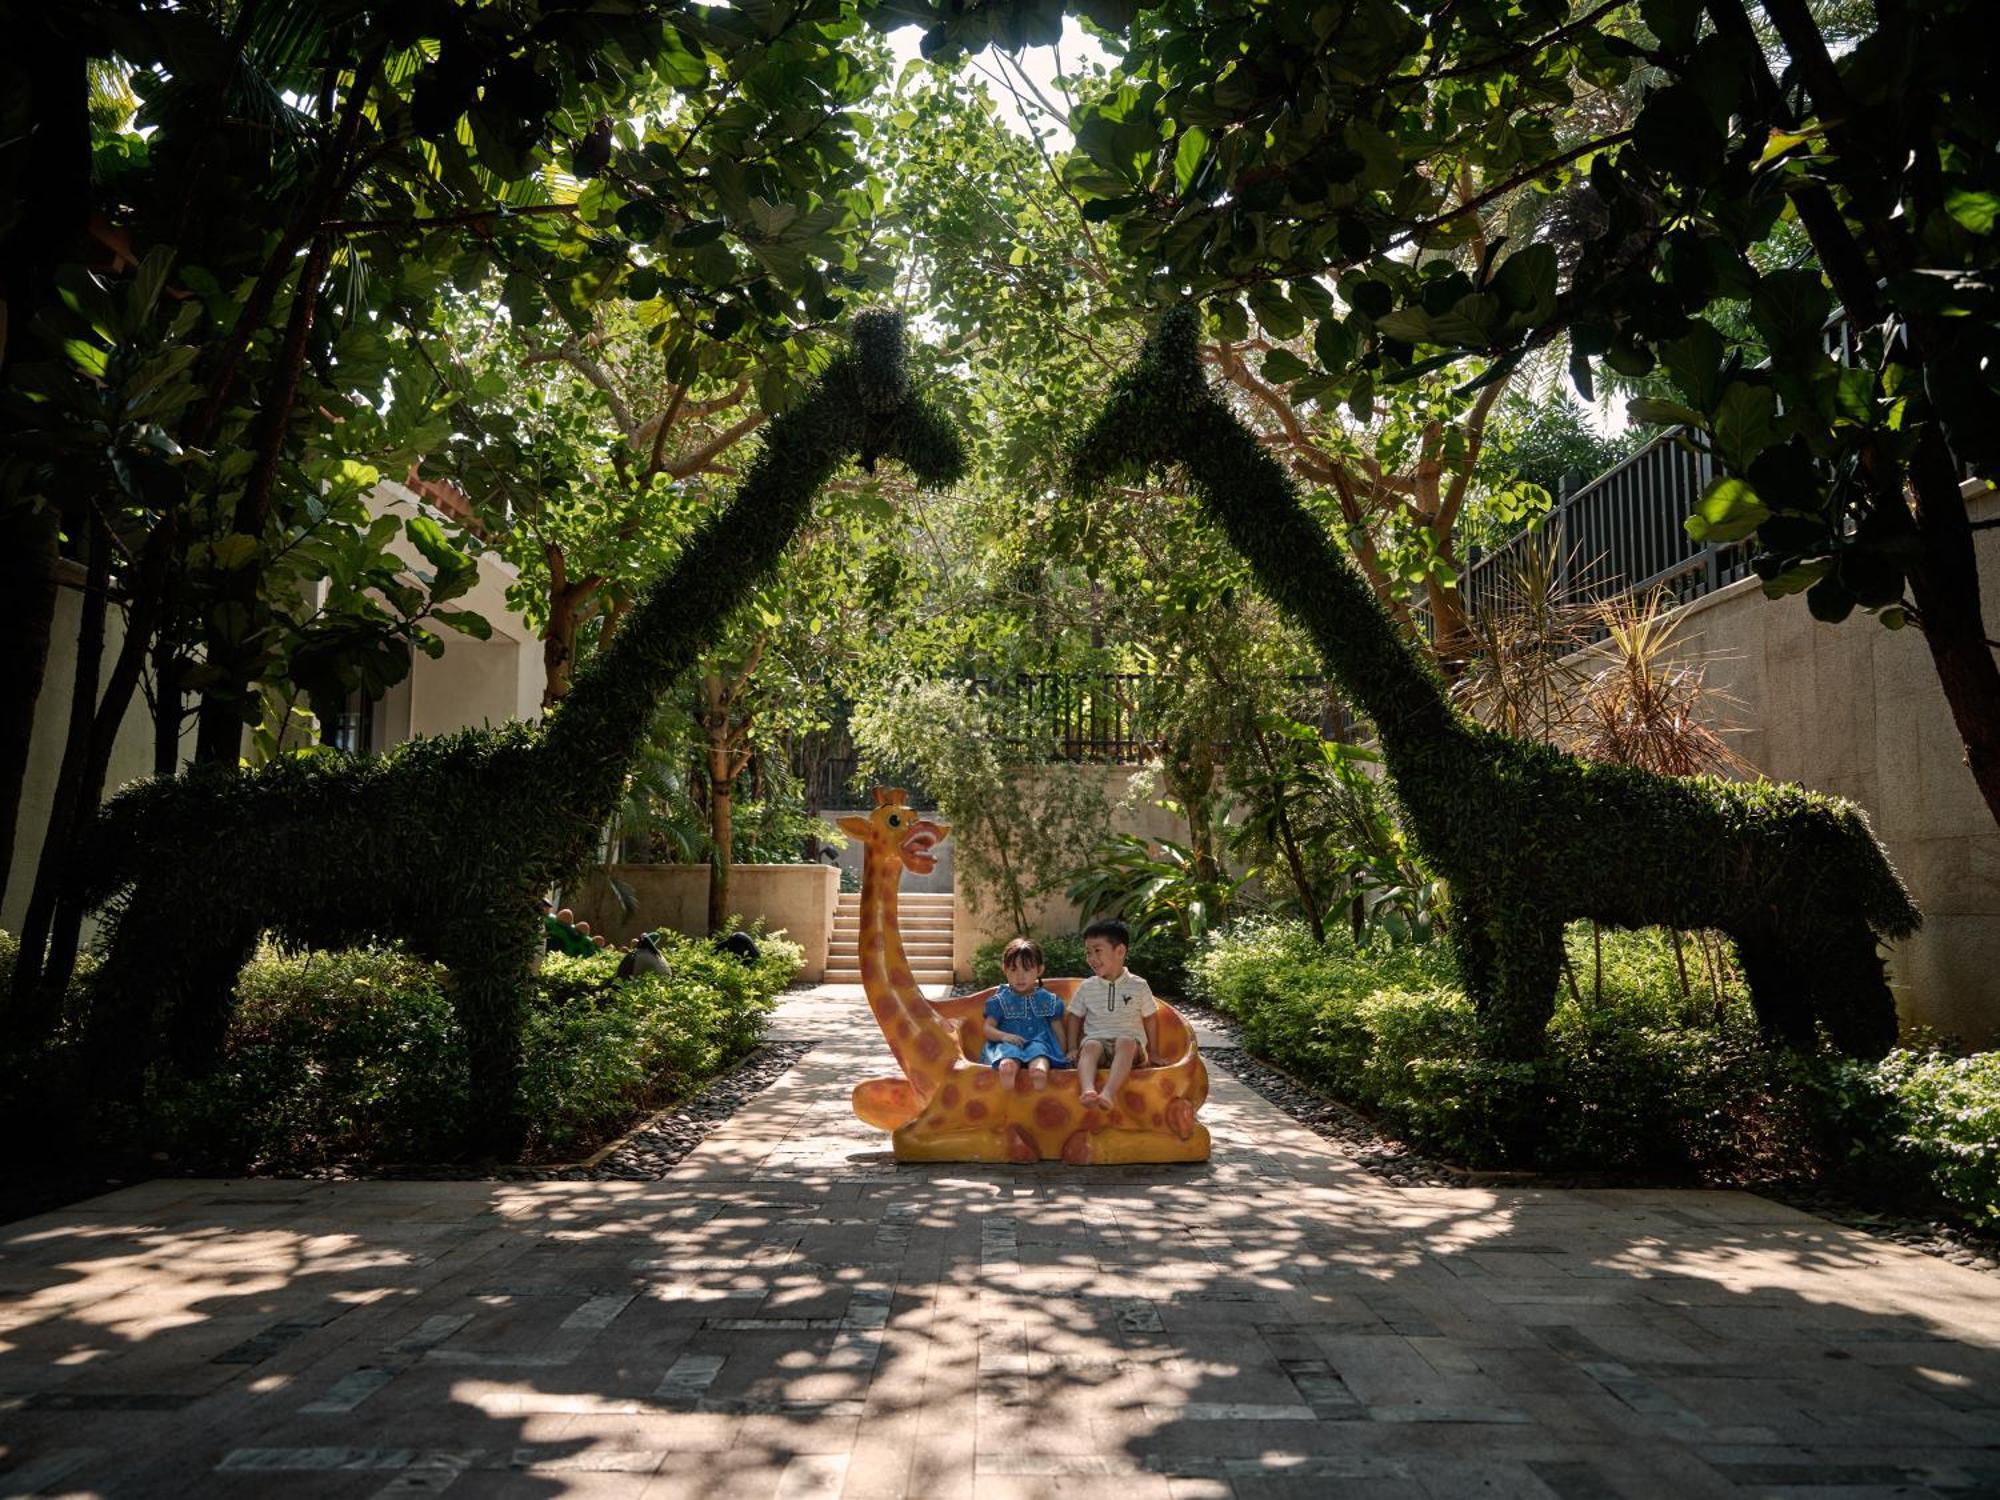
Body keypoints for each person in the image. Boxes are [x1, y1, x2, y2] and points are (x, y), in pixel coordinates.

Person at [1068, 918, 1159, 1111]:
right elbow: (1074, 1017)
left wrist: (1154, 1052)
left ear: (1120, 951)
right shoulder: (1087, 986)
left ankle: (1108, 1093)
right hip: (1098, 1043)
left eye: (1097, 951)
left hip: (1130, 1049)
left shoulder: (1139, 985)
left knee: (1125, 1041)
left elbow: (1150, 1017)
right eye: (1088, 952)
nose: (1092, 958)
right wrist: (1072, 1048)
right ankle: (1088, 1091)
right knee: (1091, 1045)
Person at [981, 936, 1068, 1089]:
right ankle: (1008, 1069)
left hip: (1039, 1043)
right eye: (1013, 970)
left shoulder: (1048, 999)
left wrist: (1062, 1053)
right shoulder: (1000, 1000)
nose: (1020, 976)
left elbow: (1057, 1028)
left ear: (1039, 970)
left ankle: (1039, 1070)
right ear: (1005, 969)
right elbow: (988, 1028)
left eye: (1027, 969)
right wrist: (1004, 1036)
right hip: (1009, 1042)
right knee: (1009, 1052)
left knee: (1040, 1051)